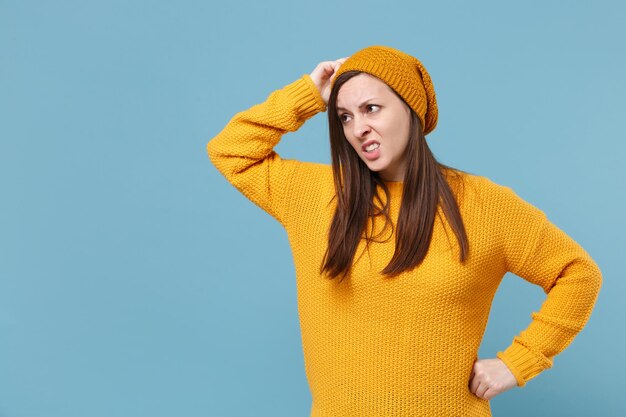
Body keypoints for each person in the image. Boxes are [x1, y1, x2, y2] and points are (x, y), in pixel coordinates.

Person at [206, 45, 602, 416]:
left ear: (410, 108)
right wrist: (309, 93)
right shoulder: (316, 194)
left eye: (371, 108)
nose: (358, 128)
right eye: (345, 116)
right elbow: (230, 150)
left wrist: (519, 362)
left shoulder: (483, 205)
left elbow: (577, 273)